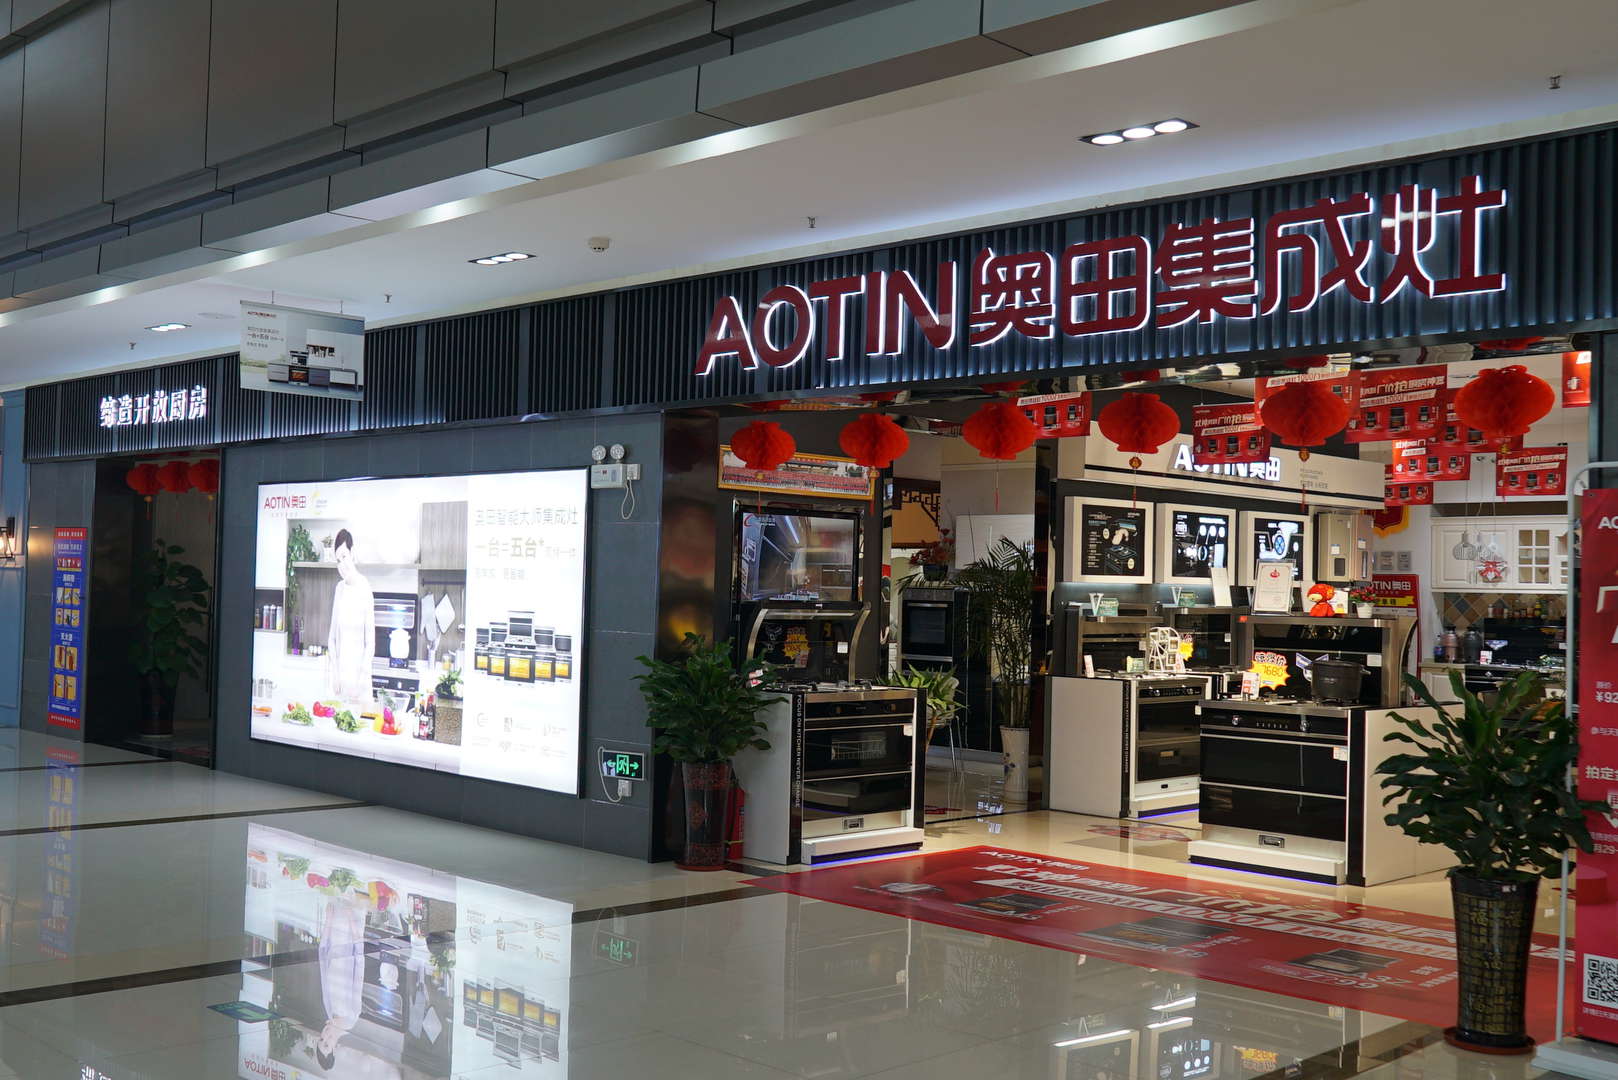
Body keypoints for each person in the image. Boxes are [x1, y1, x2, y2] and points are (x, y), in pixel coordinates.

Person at [316, 893, 366, 1071]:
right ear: (335, 1049)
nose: (325, 1036)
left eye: (321, 1040)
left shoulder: (329, 1009)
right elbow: (360, 965)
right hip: (352, 933)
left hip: (335, 929)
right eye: (327, 1044)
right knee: (356, 890)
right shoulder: (352, 1016)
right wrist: (352, 920)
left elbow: (323, 959)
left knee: (337, 887)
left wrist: (328, 921)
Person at [327, 529, 375, 704]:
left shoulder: (365, 588)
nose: (342, 565)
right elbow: (332, 638)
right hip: (340, 681)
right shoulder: (339, 589)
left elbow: (370, 642)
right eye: (338, 560)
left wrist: (362, 677)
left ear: (352, 553)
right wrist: (335, 673)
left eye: (344, 556)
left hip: (360, 681)